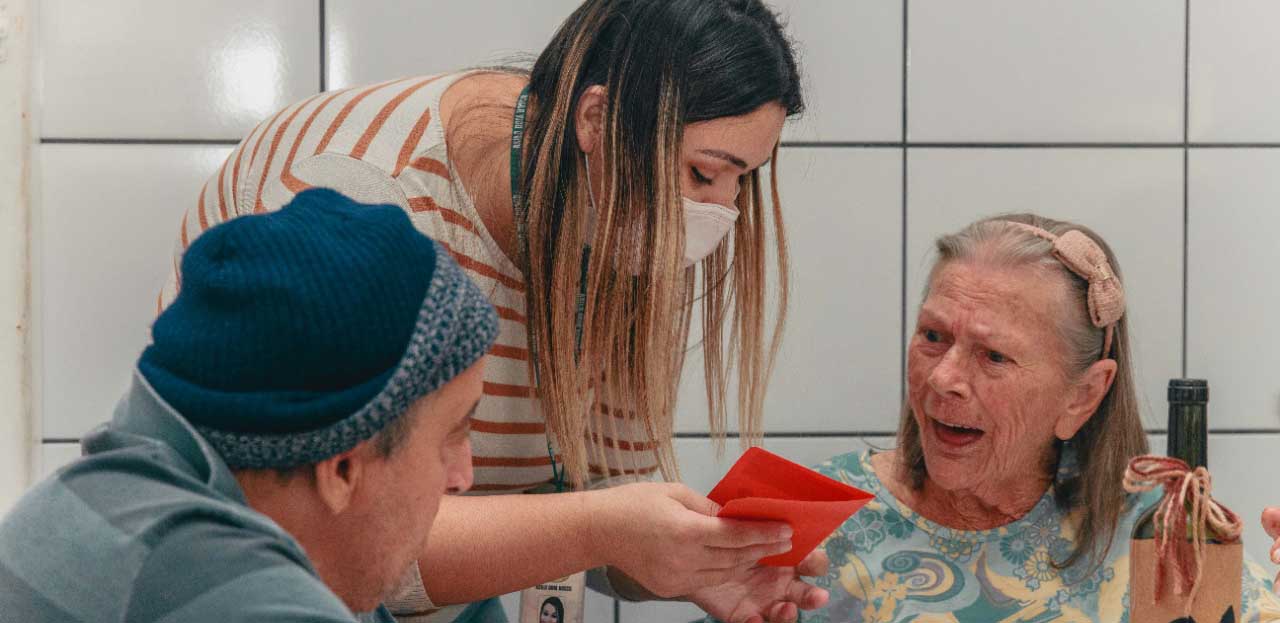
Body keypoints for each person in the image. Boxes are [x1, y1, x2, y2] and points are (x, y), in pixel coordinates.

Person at [160, 1, 826, 622]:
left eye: (740, 180)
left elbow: (597, 496)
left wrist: (697, 559)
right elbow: (343, 540)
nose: (719, 214)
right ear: (595, 121)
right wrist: (603, 527)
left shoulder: (624, 227)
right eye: (703, 174)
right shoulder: (368, 205)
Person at [0, 188, 499, 622]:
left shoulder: (114, 492)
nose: (462, 475)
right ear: (343, 468)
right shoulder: (231, 592)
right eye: (454, 432)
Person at [802, 214, 1280, 621]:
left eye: (993, 355)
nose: (943, 378)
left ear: (1083, 396)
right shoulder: (816, 518)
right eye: (932, 336)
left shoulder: (1161, 534)